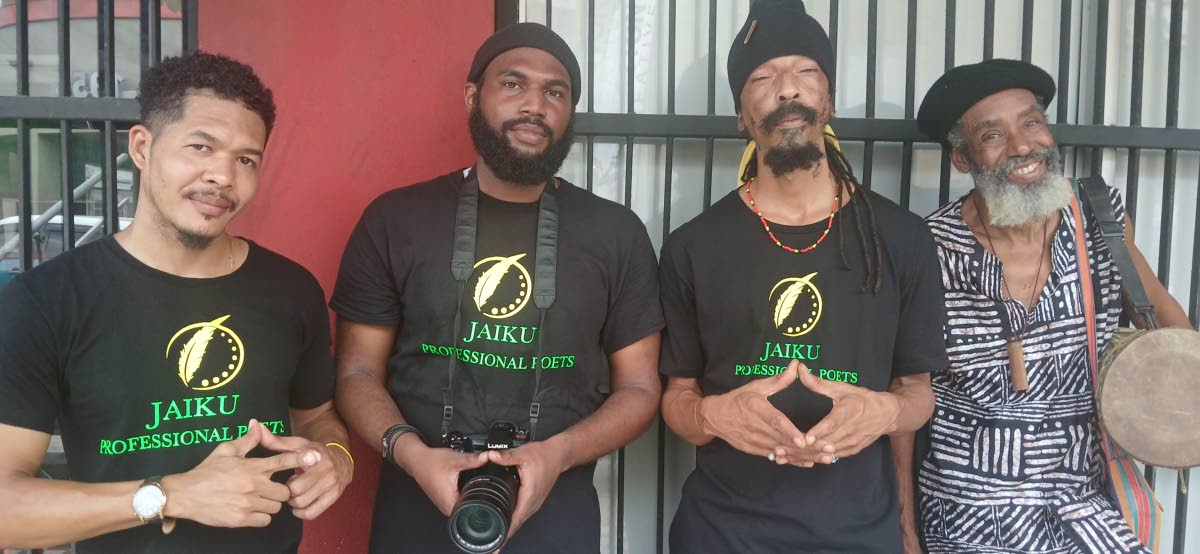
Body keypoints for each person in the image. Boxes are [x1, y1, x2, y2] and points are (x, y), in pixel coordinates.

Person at [0, 52, 353, 553]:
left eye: (246, 159)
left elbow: (316, 417)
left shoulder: (292, 289)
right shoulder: (47, 302)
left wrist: (337, 458)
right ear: (142, 147)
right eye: (201, 146)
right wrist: (168, 496)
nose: (223, 176)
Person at [330, 23, 663, 553]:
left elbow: (641, 389)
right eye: (513, 84)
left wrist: (557, 453)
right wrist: (414, 454)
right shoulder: (396, 219)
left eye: (556, 92)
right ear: (472, 95)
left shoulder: (615, 233)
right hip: (416, 501)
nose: (535, 104)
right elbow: (355, 371)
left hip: (557, 507)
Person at [657, 1, 946, 551]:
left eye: (806, 72)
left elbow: (916, 393)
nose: (787, 89)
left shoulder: (902, 238)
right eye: (762, 77)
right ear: (741, 115)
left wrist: (883, 411)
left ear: (828, 100)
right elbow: (678, 398)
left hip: (860, 534)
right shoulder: (692, 246)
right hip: (723, 533)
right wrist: (714, 415)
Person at [914, 58, 1191, 553]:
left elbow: (1163, 318)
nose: (1023, 146)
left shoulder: (1099, 220)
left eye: (1031, 122)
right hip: (968, 521)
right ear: (961, 158)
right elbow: (905, 384)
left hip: (1081, 511)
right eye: (993, 135)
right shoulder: (929, 247)